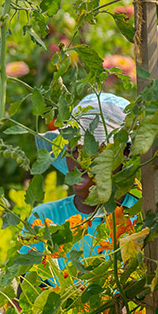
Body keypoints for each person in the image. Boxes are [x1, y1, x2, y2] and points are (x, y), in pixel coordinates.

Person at [26, 93, 140, 274]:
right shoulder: (45, 218)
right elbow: (22, 287)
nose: (78, 160)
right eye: (72, 150)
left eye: (91, 150)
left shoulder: (144, 215)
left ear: (124, 157)